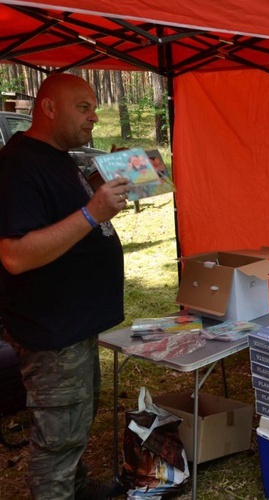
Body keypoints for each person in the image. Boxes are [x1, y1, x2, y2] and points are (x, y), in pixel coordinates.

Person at [0, 73, 130, 499]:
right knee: (57, 439)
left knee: (75, 420)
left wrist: (103, 183)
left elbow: (62, 213)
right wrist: (94, 211)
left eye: (94, 107)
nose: (94, 117)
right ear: (49, 108)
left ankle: (76, 487)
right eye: (84, 107)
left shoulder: (56, 156)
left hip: (73, 324)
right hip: (50, 330)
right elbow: (15, 255)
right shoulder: (19, 164)